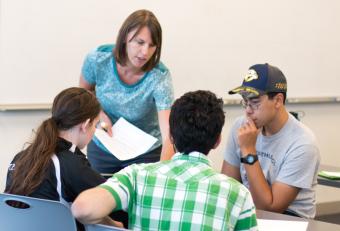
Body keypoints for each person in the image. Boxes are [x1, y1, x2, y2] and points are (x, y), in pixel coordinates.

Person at [71, 90, 258, 231]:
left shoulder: (136, 176)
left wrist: (114, 225)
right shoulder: (238, 194)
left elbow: (82, 208)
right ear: (217, 141)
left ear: (170, 136)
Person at [5, 87, 122, 229]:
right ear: (85, 125)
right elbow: (112, 200)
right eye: (95, 125)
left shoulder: (20, 158)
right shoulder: (71, 164)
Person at [79, 9, 174, 175]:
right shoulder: (98, 59)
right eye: (139, 42)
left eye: (152, 46)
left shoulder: (159, 76)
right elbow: (83, 93)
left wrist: (163, 174)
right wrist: (99, 115)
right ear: (124, 38)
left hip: (146, 152)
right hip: (104, 145)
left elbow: (168, 134)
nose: (145, 52)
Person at [221, 63, 320, 218]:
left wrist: (248, 151)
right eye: (245, 102)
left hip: (289, 219)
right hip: (248, 212)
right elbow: (227, 189)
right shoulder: (240, 126)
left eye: (254, 102)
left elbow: (270, 209)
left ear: (278, 101)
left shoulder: (303, 143)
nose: (248, 110)